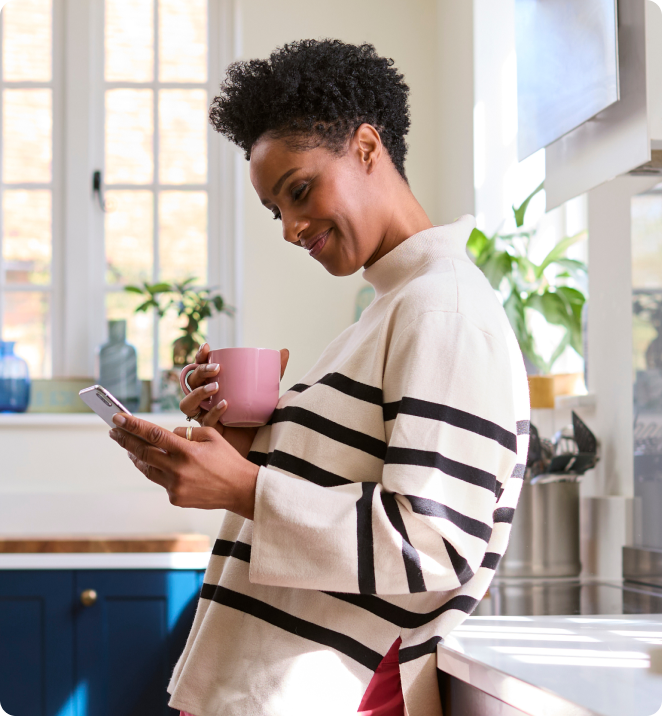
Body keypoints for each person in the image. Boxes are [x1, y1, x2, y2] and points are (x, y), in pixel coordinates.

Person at [108, 39, 530, 716]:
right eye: (277, 209)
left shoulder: (443, 308)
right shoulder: (385, 313)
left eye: (299, 190)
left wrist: (245, 487)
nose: (290, 228)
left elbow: (432, 546)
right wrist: (245, 449)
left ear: (367, 148)